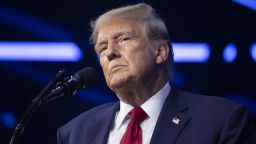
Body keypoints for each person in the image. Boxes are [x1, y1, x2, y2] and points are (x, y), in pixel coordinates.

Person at [57, 3, 255, 144]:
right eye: (102, 48)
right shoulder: (75, 133)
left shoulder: (221, 120)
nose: (110, 52)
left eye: (124, 39)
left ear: (160, 52)